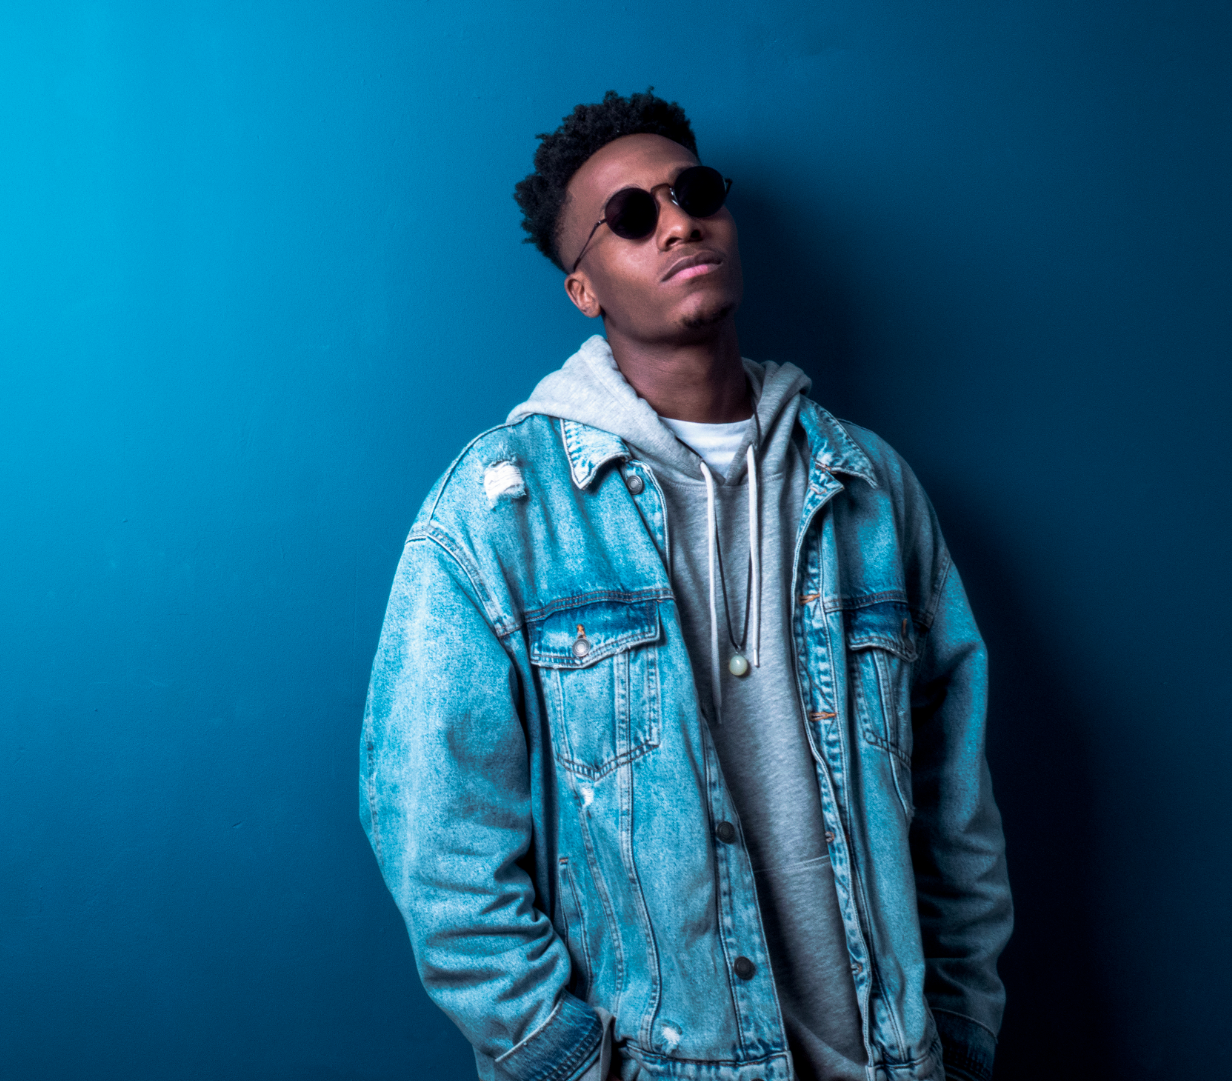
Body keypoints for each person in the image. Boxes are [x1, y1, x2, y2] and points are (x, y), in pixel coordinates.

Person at [358, 91, 1011, 1081]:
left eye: (694, 192)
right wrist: (572, 1064)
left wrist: (959, 1037)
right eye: (630, 216)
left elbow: (955, 807)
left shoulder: (869, 486)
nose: (676, 223)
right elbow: (438, 847)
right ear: (584, 288)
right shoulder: (500, 513)